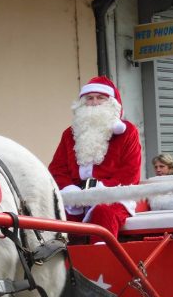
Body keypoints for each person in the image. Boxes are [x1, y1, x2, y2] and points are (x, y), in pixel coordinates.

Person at [48, 76, 142, 241]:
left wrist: (100, 191)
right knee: (55, 217)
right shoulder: (69, 134)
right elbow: (57, 169)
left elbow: (130, 174)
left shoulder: (128, 132)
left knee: (103, 213)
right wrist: (70, 190)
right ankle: (64, 263)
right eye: (89, 98)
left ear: (112, 102)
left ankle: (101, 261)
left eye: (101, 98)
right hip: (74, 197)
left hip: (113, 196)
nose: (94, 102)